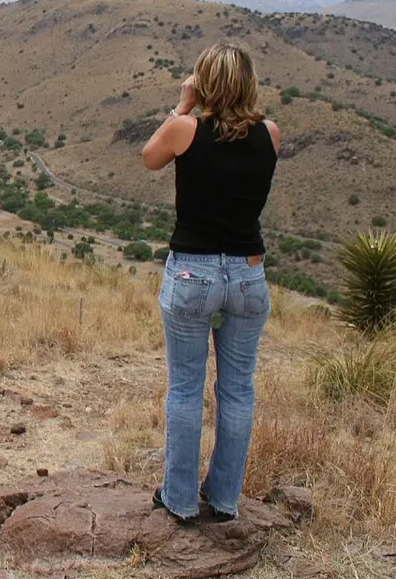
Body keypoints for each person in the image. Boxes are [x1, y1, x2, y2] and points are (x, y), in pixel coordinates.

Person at [139, 42, 281, 523]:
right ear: (248, 82)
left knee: (184, 388)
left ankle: (178, 499)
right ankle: (223, 500)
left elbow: (148, 158)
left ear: (203, 82)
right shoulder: (271, 134)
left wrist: (182, 106)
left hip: (191, 272)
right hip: (247, 273)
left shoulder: (185, 130)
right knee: (238, 390)